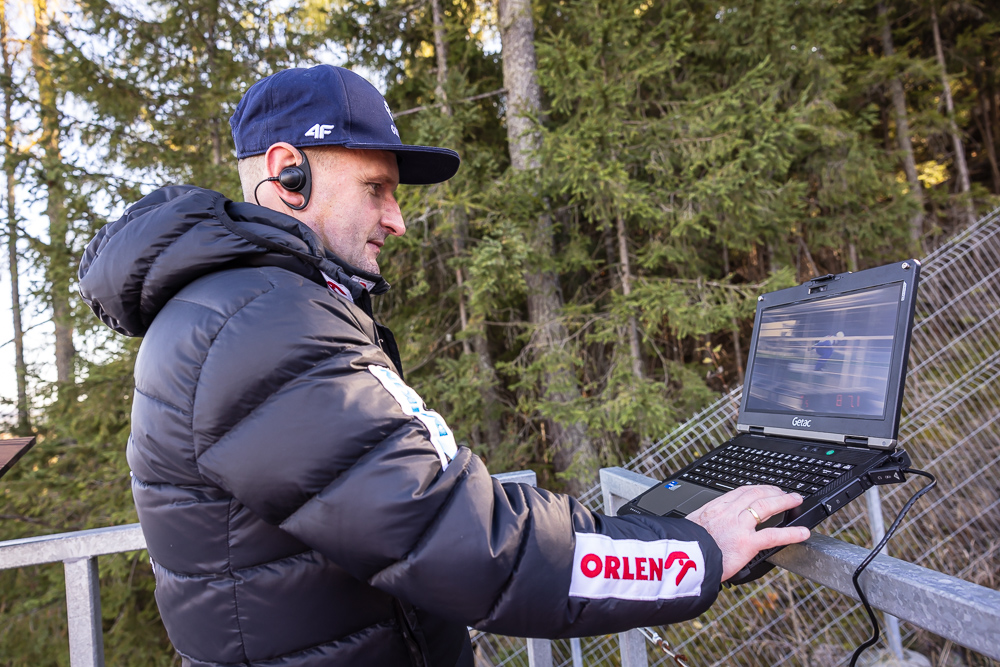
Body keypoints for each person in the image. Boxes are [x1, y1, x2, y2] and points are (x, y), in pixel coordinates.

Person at [79, 65, 809, 667]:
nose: (397, 219)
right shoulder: (262, 325)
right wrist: (694, 552)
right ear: (287, 174)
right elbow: (464, 542)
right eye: (376, 188)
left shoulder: (249, 307)